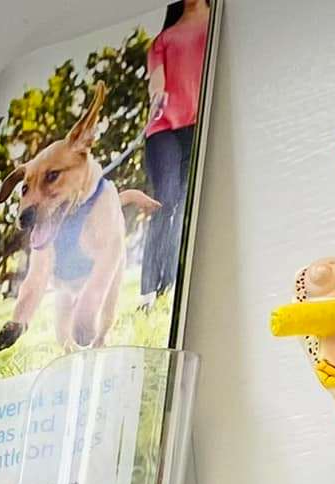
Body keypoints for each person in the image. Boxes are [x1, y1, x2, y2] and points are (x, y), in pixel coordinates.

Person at [140, 0, 210, 300]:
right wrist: (157, 96)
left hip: (198, 125)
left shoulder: (217, 23)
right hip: (164, 130)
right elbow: (157, 83)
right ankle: (149, 291)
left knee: (185, 205)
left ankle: (171, 285)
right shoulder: (162, 40)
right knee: (164, 202)